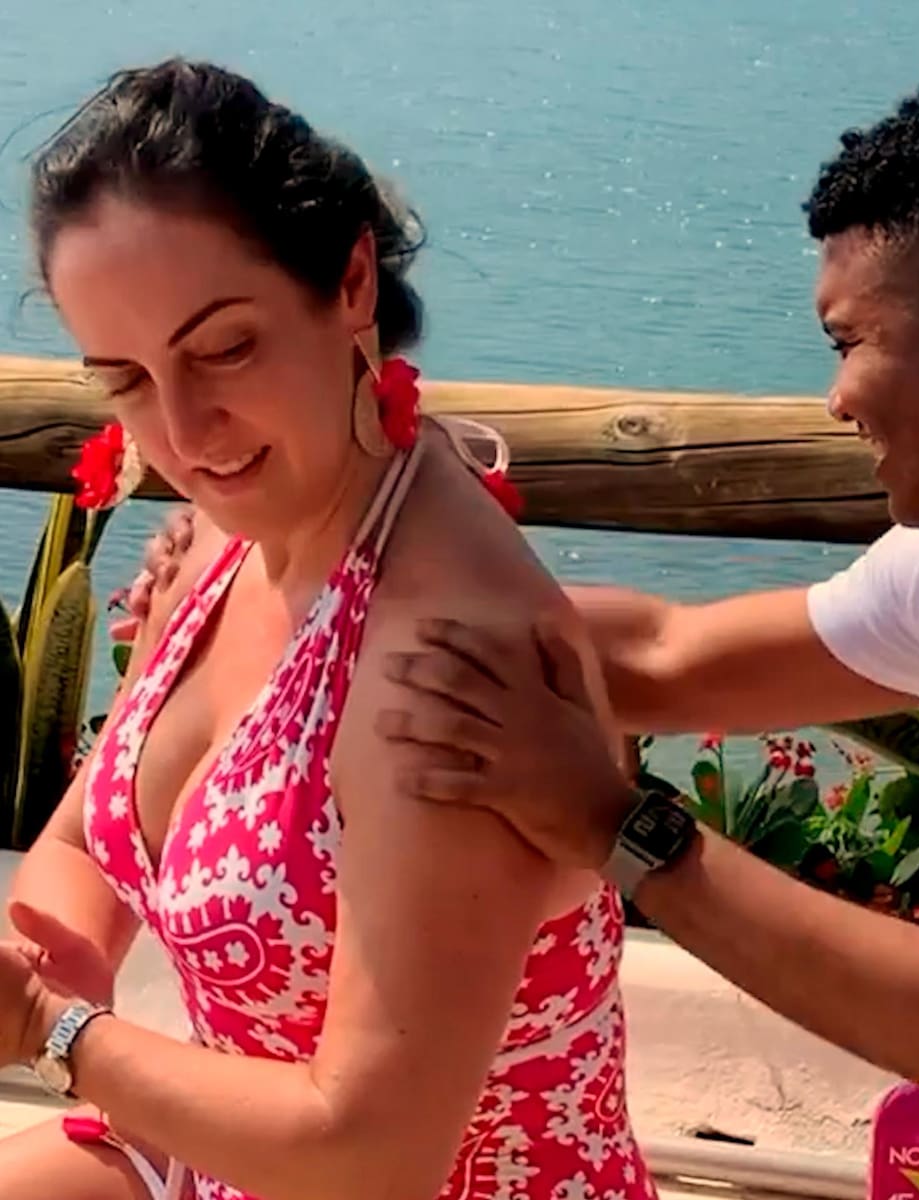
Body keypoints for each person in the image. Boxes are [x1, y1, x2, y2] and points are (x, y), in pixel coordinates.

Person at [125, 67, 919, 1200]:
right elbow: (665, 659)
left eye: (850, 341)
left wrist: (610, 820)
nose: (837, 397)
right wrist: (302, 598)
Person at [0, 59, 655, 1200]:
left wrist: (51, 1028)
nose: (184, 431)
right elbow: (86, 849)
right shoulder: (239, 532)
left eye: (224, 349)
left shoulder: (446, 664)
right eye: (127, 379)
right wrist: (41, 957)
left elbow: (374, 1154)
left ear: (351, 280)